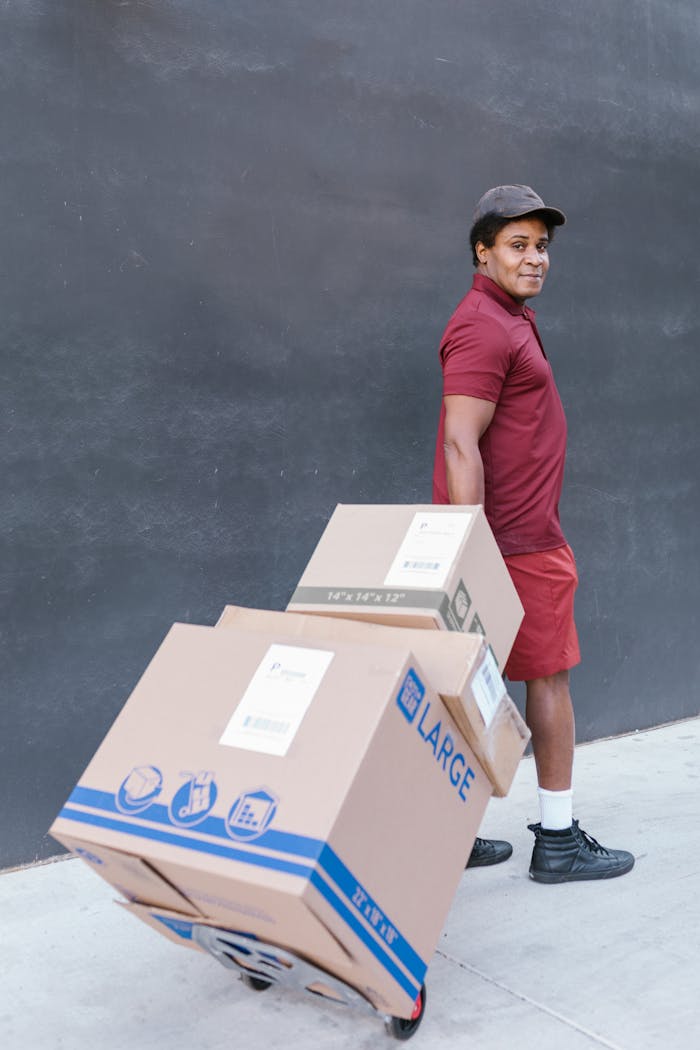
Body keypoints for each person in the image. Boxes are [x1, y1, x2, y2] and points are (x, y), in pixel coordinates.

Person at [432, 184, 634, 883]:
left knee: (463, 687)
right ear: (481, 253)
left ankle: (446, 835)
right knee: (546, 681)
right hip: (514, 545)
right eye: (517, 245)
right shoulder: (485, 325)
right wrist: (471, 552)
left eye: (541, 246)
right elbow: (462, 441)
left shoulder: (507, 315)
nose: (535, 257)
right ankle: (558, 842)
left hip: (515, 538)